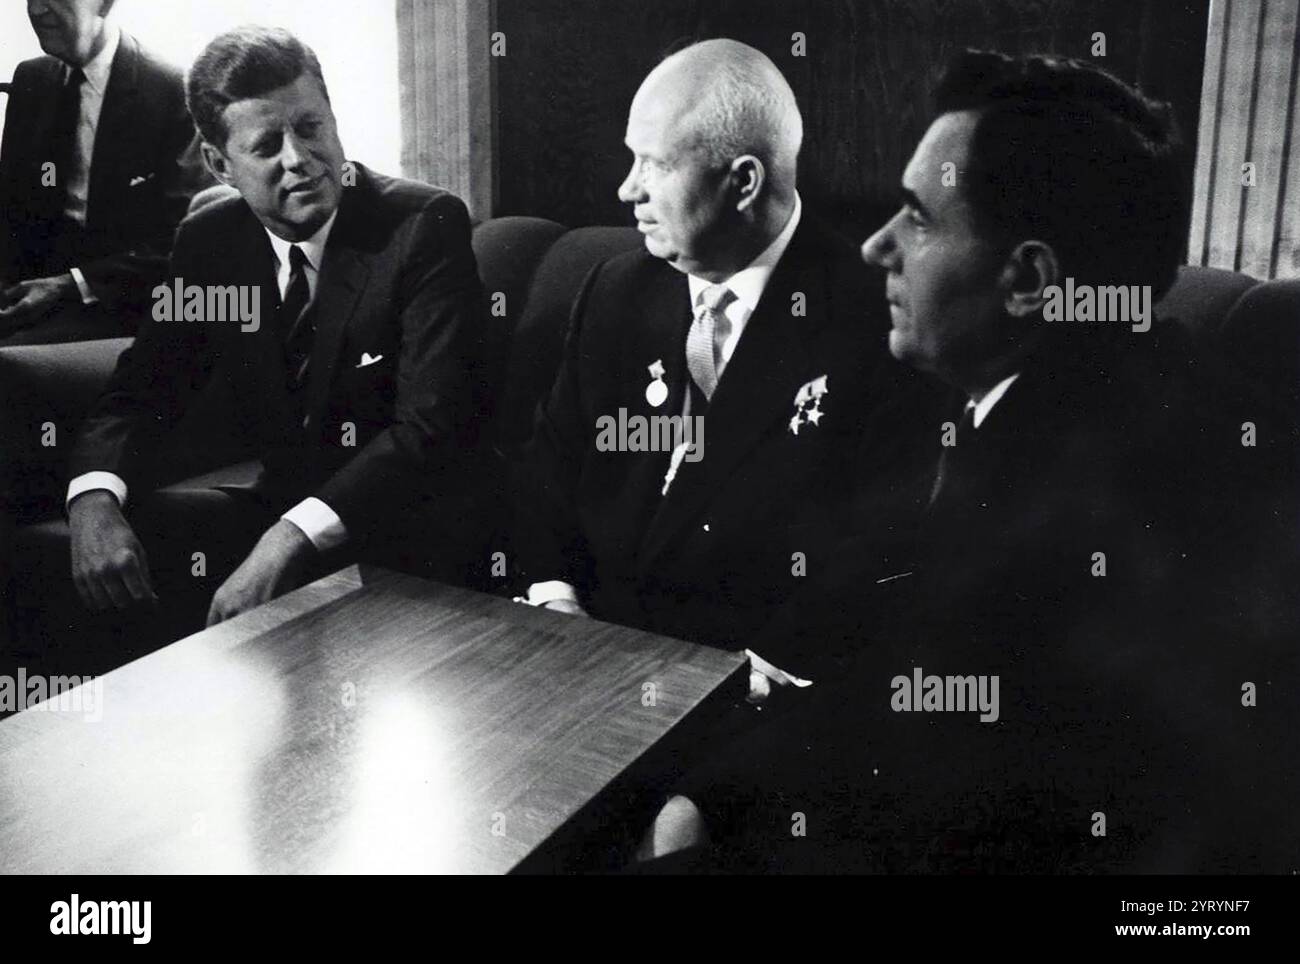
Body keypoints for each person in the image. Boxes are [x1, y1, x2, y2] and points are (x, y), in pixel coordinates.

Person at [638, 50, 1297, 872]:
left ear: (1028, 280)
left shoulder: (1117, 495)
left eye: (917, 218)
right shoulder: (1046, 397)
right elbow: (905, 672)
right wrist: (710, 790)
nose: (877, 246)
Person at [39, 26, 490, 660]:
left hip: (407, 530)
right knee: (78, 569)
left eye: (312, 127)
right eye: (267, 145)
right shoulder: (212, 237)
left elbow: (427, 429)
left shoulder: (421, 226)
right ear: (220, 164)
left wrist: (287, 539)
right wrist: (92, 500)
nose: (300, 158)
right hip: (274, 513)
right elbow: (143, 388)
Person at [512, 38, 936, 662]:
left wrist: (755, 671)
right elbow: (547, 468)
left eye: (654, 165)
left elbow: (881, 553)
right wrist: (555, 598)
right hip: (582, 652)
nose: (628, 189)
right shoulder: (614, 290)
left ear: (742, 182)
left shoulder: (880, 322)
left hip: (749, 686)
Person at [0, 0, 207, 345]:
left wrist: (72, 285)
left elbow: (183, 239)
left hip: (124, 302)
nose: (36, 10)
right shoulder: (31, 78)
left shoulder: (173, 91)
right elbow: (12, 203)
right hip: (34, 288)